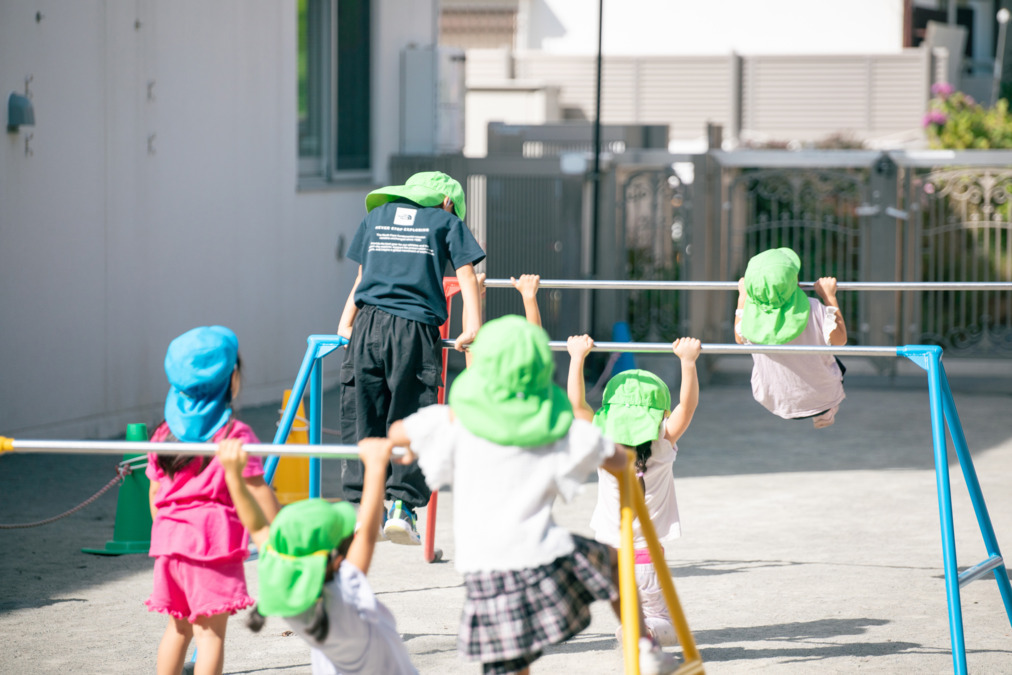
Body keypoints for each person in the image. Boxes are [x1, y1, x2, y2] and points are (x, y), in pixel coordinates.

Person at [384, 316, 681, 675]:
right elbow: (612, 453)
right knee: (616, 566)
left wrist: (398, 448)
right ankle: (644, 647)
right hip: (545, 558)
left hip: (486, 574)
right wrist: (618, 457)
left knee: (512, 662)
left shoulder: (453, 422)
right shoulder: (555, 429)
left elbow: (399, 431)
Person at [336, 170, 486, 546]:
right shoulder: (447, 221)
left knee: (363, 409)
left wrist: (344, 324)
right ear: (448, 202)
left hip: (367, 325)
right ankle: (402, 508)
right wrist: (472, 326)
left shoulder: (376, 217)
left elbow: (361, 277)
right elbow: (467, 276)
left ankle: (364, 510)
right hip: (415, 329)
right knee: (411, 414)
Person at [217, 436, 418, 675]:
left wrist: (233, 474)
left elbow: (258, 527)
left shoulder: (286, 590)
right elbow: (365, 535)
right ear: (334, 558)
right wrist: (375, 466)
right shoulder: (347, 593)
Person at [145, 325, 281, 675]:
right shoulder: (235, 436)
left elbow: (155, 493)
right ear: (232, 379)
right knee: (210, 636)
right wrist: (282, 529)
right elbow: (258, 492)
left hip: (170, 544)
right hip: (210, 545)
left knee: (178, 628)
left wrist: (168, 534)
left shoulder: (163, 433)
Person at [567, 334, 701, 646]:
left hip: (611, 559)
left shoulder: (603, 443)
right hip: (648, 561)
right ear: (660, 415)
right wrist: (688, 362)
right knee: (662, 619)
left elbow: (577, 405)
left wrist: (577, 357)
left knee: (634, 614)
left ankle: (639, 632)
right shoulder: (663, 442)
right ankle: (647, 633)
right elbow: (689, 406)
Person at [733, 247, 848, 429]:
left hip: (774, 398)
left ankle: (821, 410)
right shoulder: (813, 307)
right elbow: (840, 340)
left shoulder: (749, 315)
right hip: (822, 397)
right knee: (835, 363)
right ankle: (825, 413)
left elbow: (739, 338)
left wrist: (742, 298)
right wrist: (829, 297)